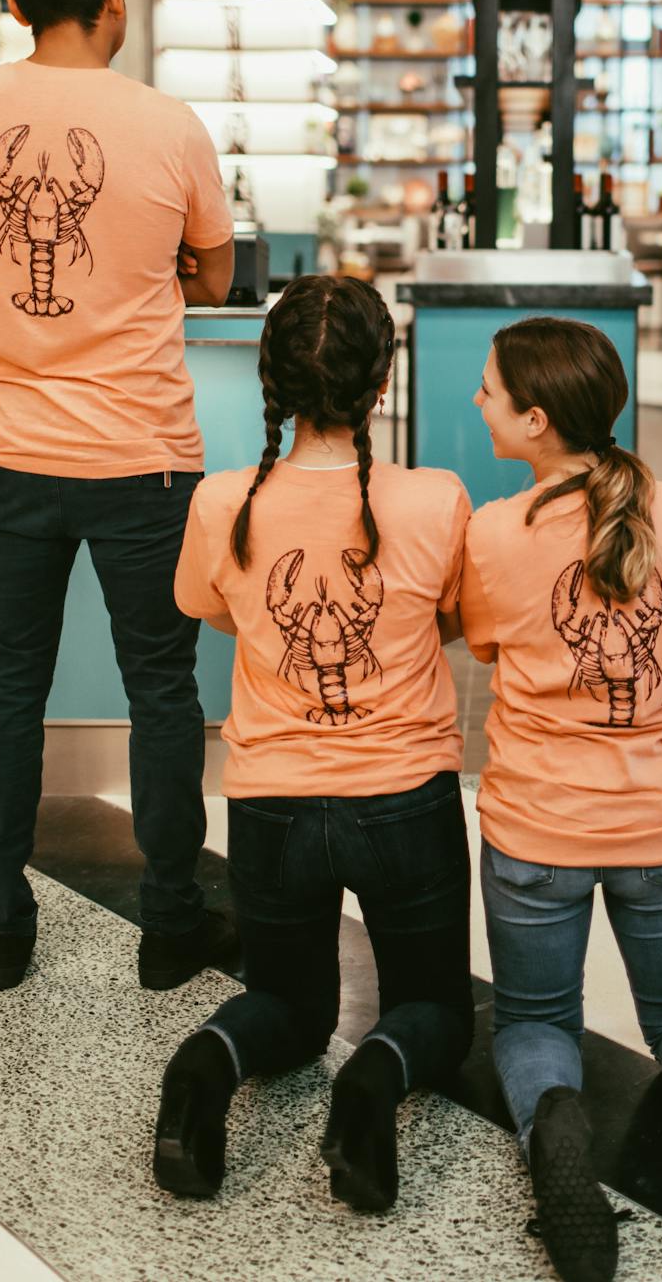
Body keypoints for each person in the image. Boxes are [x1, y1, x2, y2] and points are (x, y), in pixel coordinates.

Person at [0, 0, 237, 993]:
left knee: (5, 687)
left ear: (10, 5)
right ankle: (170, 924)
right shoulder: (170, 122)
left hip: (8, 453)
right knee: (163, 689)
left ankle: (1, 929)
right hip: (143, 455)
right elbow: (218, 276)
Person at [462, 317, 662, 1282]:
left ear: (537, 420)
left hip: (536, 831)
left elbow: (482, 648)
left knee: (535, 1025)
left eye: (489, 390)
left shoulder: (493, 532)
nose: (479, 401)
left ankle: (557, 1132)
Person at [156, 275, 474, 1210]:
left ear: (274, 382)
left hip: (270, 800)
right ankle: (370, 1087)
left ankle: (200, 1073)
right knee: (435, 1010)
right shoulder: (435, 500)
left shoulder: (222, 502)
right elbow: (452, 619)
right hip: (405, 798)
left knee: (291, 1009)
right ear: (383, 386)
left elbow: (205, 609)